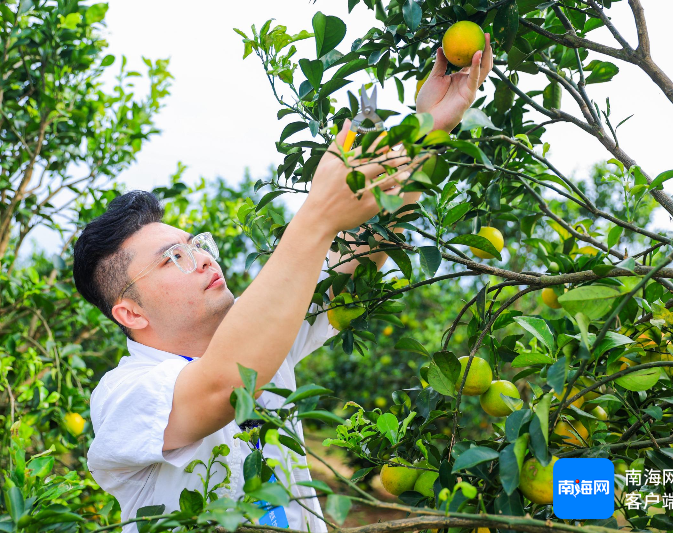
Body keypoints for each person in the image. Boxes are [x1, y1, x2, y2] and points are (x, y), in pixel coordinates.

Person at [73, 36, 493, 533]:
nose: (204, 258)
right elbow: (224, 386)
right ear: (130, 312)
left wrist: (426, 129)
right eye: (173, 259)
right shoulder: (125, 396)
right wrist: (315, 214)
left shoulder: (262, 341)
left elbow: (357, 255)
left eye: (196, 243)